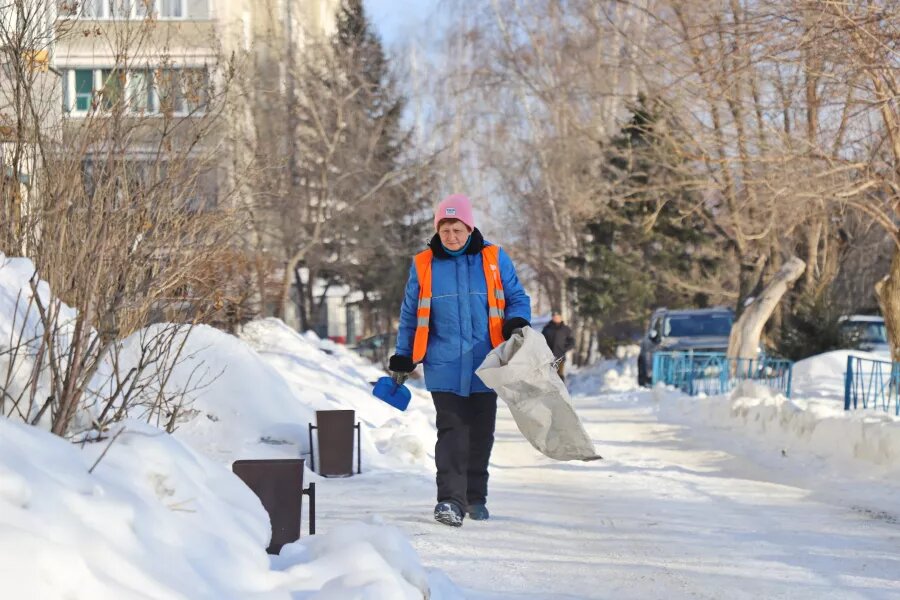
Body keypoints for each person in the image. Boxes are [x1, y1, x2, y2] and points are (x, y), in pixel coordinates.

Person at [389, 194, 531, 528]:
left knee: (481, 433)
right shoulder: (424, 264)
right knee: (452, 431)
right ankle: (449, 501)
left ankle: (475, 497)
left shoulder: (493, 258)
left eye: (457, 228)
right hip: (442, 362)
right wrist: (403, 355)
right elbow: (410, 314)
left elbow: (517, 297)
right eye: (445, 229)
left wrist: (516, 321)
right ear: (437, 230)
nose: (451, 236)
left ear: (469, 227)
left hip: (488, 362)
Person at [542, 309, 575, 381]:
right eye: (554, 316)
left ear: (560, 317)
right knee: (550, 376)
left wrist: (565, 349)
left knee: (560, 376)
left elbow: (572, 341)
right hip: (549, 357)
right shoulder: (547, 329)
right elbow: (541, 341)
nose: (555, 318)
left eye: (557, 316)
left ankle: (561, 391)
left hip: (560, 357)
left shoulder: (566, 329)